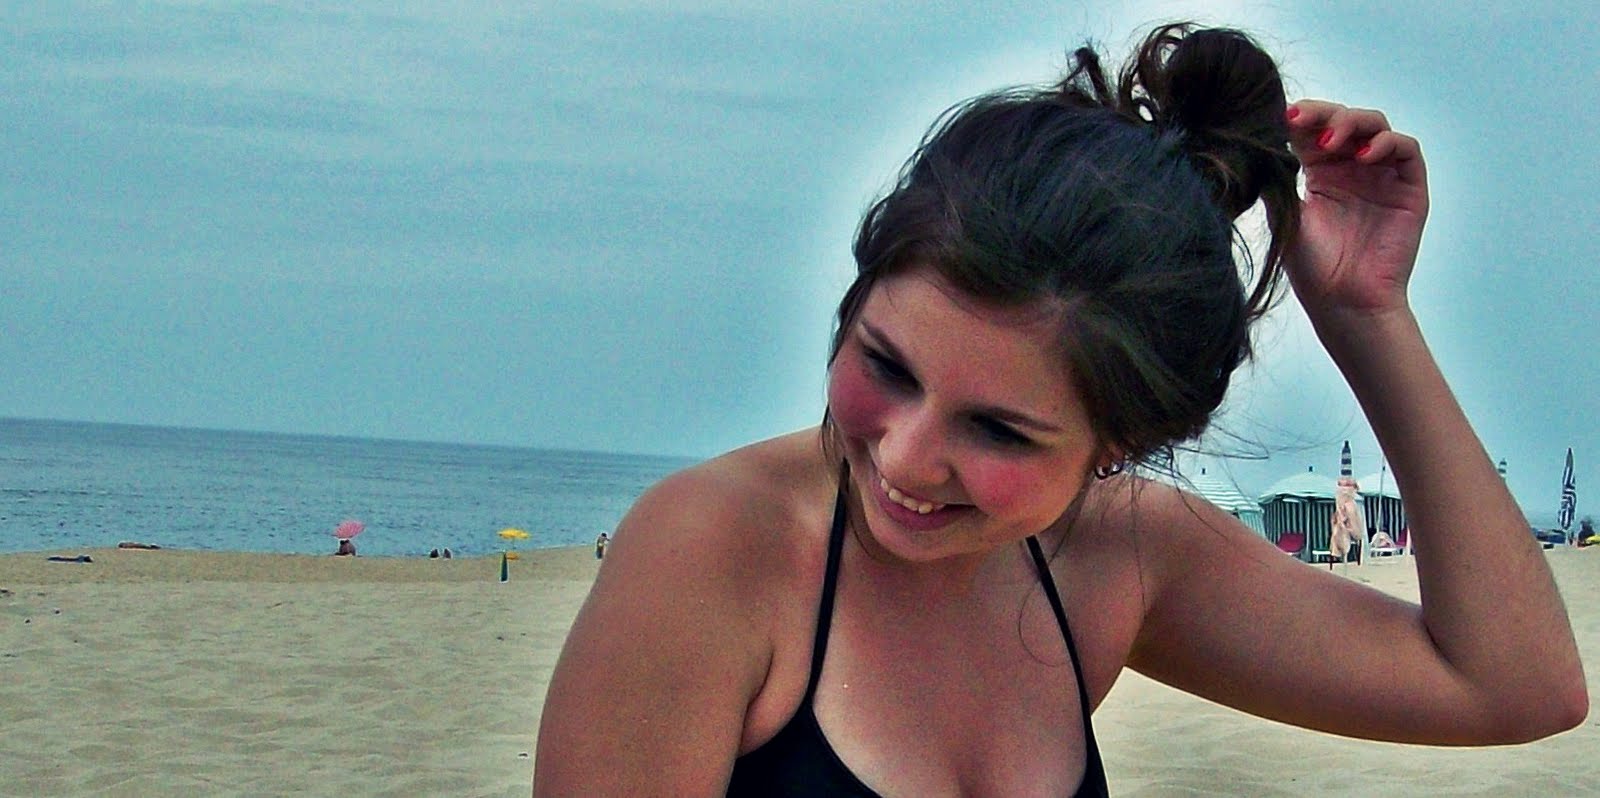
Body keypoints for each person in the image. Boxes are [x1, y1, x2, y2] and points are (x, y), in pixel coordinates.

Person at [533, 23, 1586, 796]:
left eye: (997, 429)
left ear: (1123, 443)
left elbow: (1513, 687)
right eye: (885, 365)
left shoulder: (1116, 556)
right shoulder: (717, 552)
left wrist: (1365, 318)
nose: (905, 455)